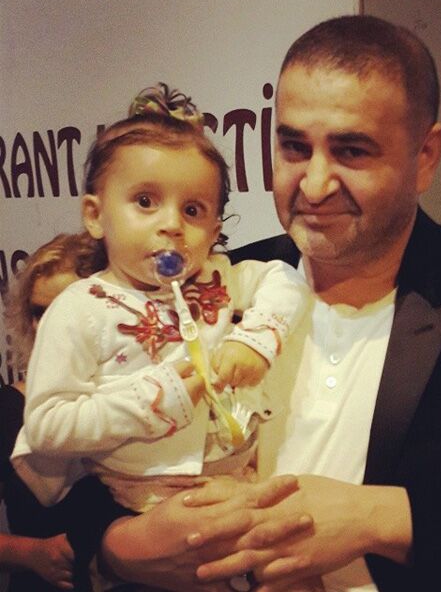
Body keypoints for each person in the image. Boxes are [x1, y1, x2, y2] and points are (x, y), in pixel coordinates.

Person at [97, 16, 441, 591]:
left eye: (352, 151)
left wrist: (383, 518)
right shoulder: (211, 282)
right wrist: (118, 547)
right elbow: (81, 455)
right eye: (293, 147)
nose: (313, 186)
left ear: (426, 155)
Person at [11, 85, 309, 587]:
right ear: (95, 215)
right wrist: (155, 400)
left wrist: (256, 340)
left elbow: (286, 279)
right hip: (142, 505)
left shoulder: (221, 276)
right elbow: (47, 425)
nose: (171, 225)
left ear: (214, 228)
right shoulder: (79, 309)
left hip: (240, 484)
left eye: (193, 210)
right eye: (145, 202)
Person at [1, 231, 108, 591]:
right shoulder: (8, 407)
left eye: (64, 310)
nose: (45, 326)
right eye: (38, 311)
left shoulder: (138, 401)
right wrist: (30, 552)